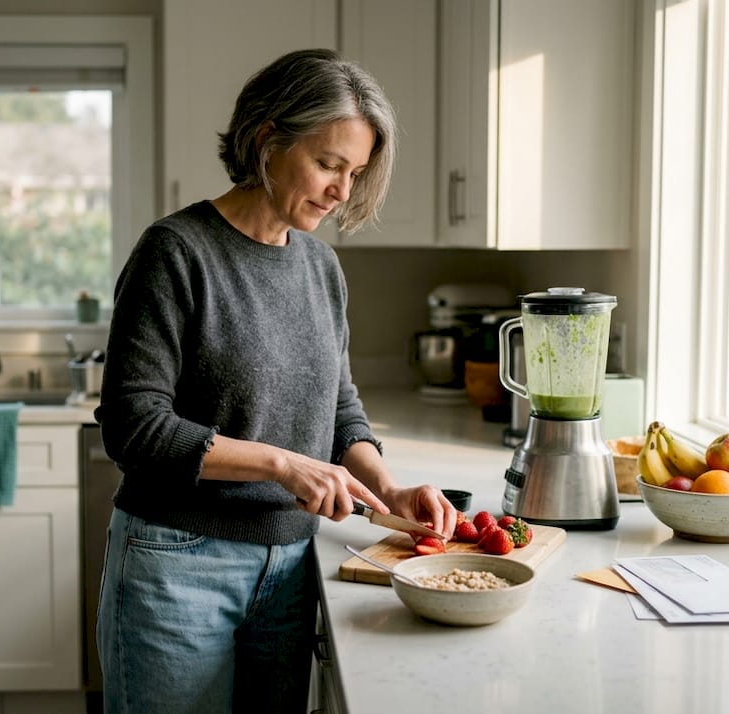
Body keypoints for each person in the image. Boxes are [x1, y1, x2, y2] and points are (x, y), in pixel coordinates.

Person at [95, 48, 458, 713]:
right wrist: (284, 467)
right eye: (327, 164)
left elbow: (338, 406)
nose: (342, 191)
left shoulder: (320, 268)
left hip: (291, 567)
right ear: (267, 140)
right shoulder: (176, 253)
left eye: (355, 172)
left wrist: (389, 489)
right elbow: (132, 428)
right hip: (178, 567)